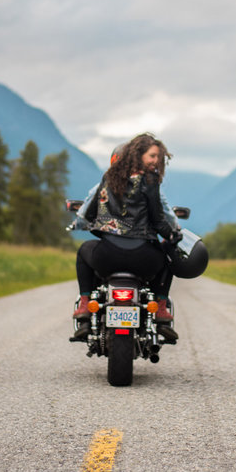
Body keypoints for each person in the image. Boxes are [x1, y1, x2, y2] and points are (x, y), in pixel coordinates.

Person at [72, 133, 182, 340]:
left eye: (158, 157)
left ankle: (86, 305)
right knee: (169, 252)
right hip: (143, 259)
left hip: (107, 257)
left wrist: (96, 226)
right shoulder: (150, 181)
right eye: (152, 156)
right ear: (138, 156)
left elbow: (89, 213)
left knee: (84, 250)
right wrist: (173, 235)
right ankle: (160, 306)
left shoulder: (107, 178)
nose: (156, 161)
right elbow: (158, 220)